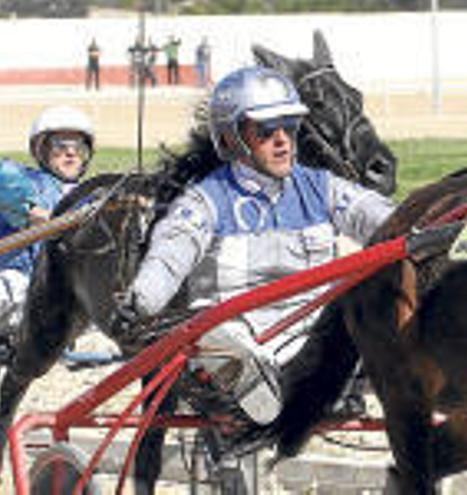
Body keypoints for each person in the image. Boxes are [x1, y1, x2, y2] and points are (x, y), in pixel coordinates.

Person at [110, 66, 395, 425]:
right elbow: (169, 256)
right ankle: (268, 398)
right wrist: (141, 300)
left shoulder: (323, 188)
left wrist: (435, 222)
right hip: (236, 339)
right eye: (266, 131)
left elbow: (379, 216)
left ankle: (320, 389)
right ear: (230, 139)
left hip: (311, 333)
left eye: (290, 127)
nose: (283, 141)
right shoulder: (204, 202)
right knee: (217, 336)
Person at [0, 106, 95, 358]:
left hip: (71, 303)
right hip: (17, 289)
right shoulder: (25, 181)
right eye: (60, 145)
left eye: (78, 147)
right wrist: (31, 209)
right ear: (40, 151)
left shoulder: (92, 195)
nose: (71, 153)